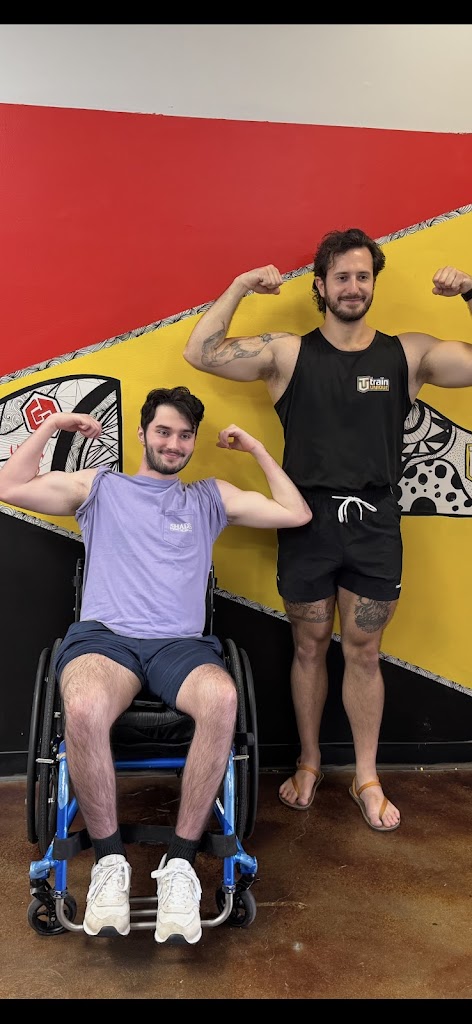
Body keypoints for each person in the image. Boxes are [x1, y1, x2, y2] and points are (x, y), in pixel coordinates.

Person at [183, 227, 472, 832]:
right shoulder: (289, 354)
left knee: (364, 651)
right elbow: (201, 353)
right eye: (341, 276)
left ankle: (366, 777)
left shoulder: (407, 354)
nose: (353, 286)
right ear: (320, 285)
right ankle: (309, 762)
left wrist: (471, 292)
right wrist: (240, 285)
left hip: (375, 524)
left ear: (373, 283)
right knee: (309, 645)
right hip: (307, 521)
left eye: (363, 276)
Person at [0, 385, 311, 942]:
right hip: (107, 640)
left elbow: (296, 512)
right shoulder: (101, 487)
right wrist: (52, 426)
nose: (173, 443)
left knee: (222, 697)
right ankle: (110, 863)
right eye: (163, 431)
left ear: (193, 442)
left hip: (179, 647)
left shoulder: (208, 497)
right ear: (143, 433)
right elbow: (8, 485)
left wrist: (258, 451)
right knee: (83, 704)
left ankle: (181, 864)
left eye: (185, 435)